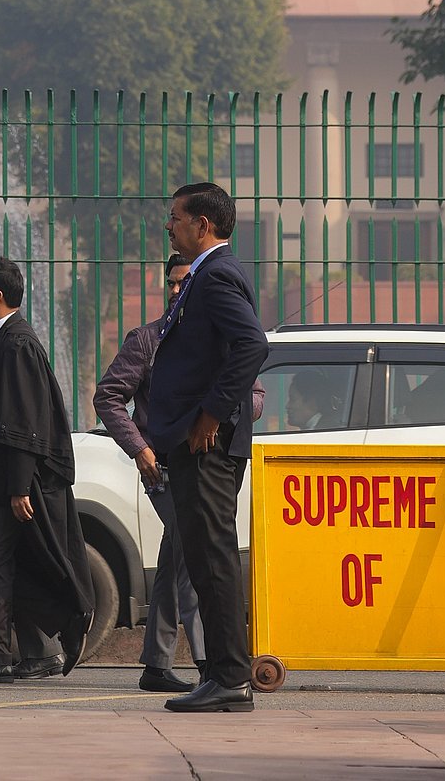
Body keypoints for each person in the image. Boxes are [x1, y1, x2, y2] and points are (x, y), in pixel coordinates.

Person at [145, 183, 268, 714]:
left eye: (175, 218)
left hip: (207, 445)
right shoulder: (203, 276)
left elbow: (252, 345)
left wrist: (211, 413)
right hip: (193, 441)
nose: (168, 227)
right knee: (202, 555)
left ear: (203, 224)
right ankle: (222, 674)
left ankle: (231, 678)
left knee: (212, 558)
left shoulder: (215, 275)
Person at [0, 256, 94, 685]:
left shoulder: (16, 343)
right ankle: (37, 653)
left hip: (6, 487)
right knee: (9, 567)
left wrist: (18, 485)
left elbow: (24, 421)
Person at [92, 252, 203, 694]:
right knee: (193, 555)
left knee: (178, 555)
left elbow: (253, 395)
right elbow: (108, 397)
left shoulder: (219, 340)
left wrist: (215, 416)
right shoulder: (148, 340)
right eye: (171, 283)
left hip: (209, 468)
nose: (176, 291)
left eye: (185, 283)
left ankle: (157, 663)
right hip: (164, 470)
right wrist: (139, 448)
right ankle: (211, 660)